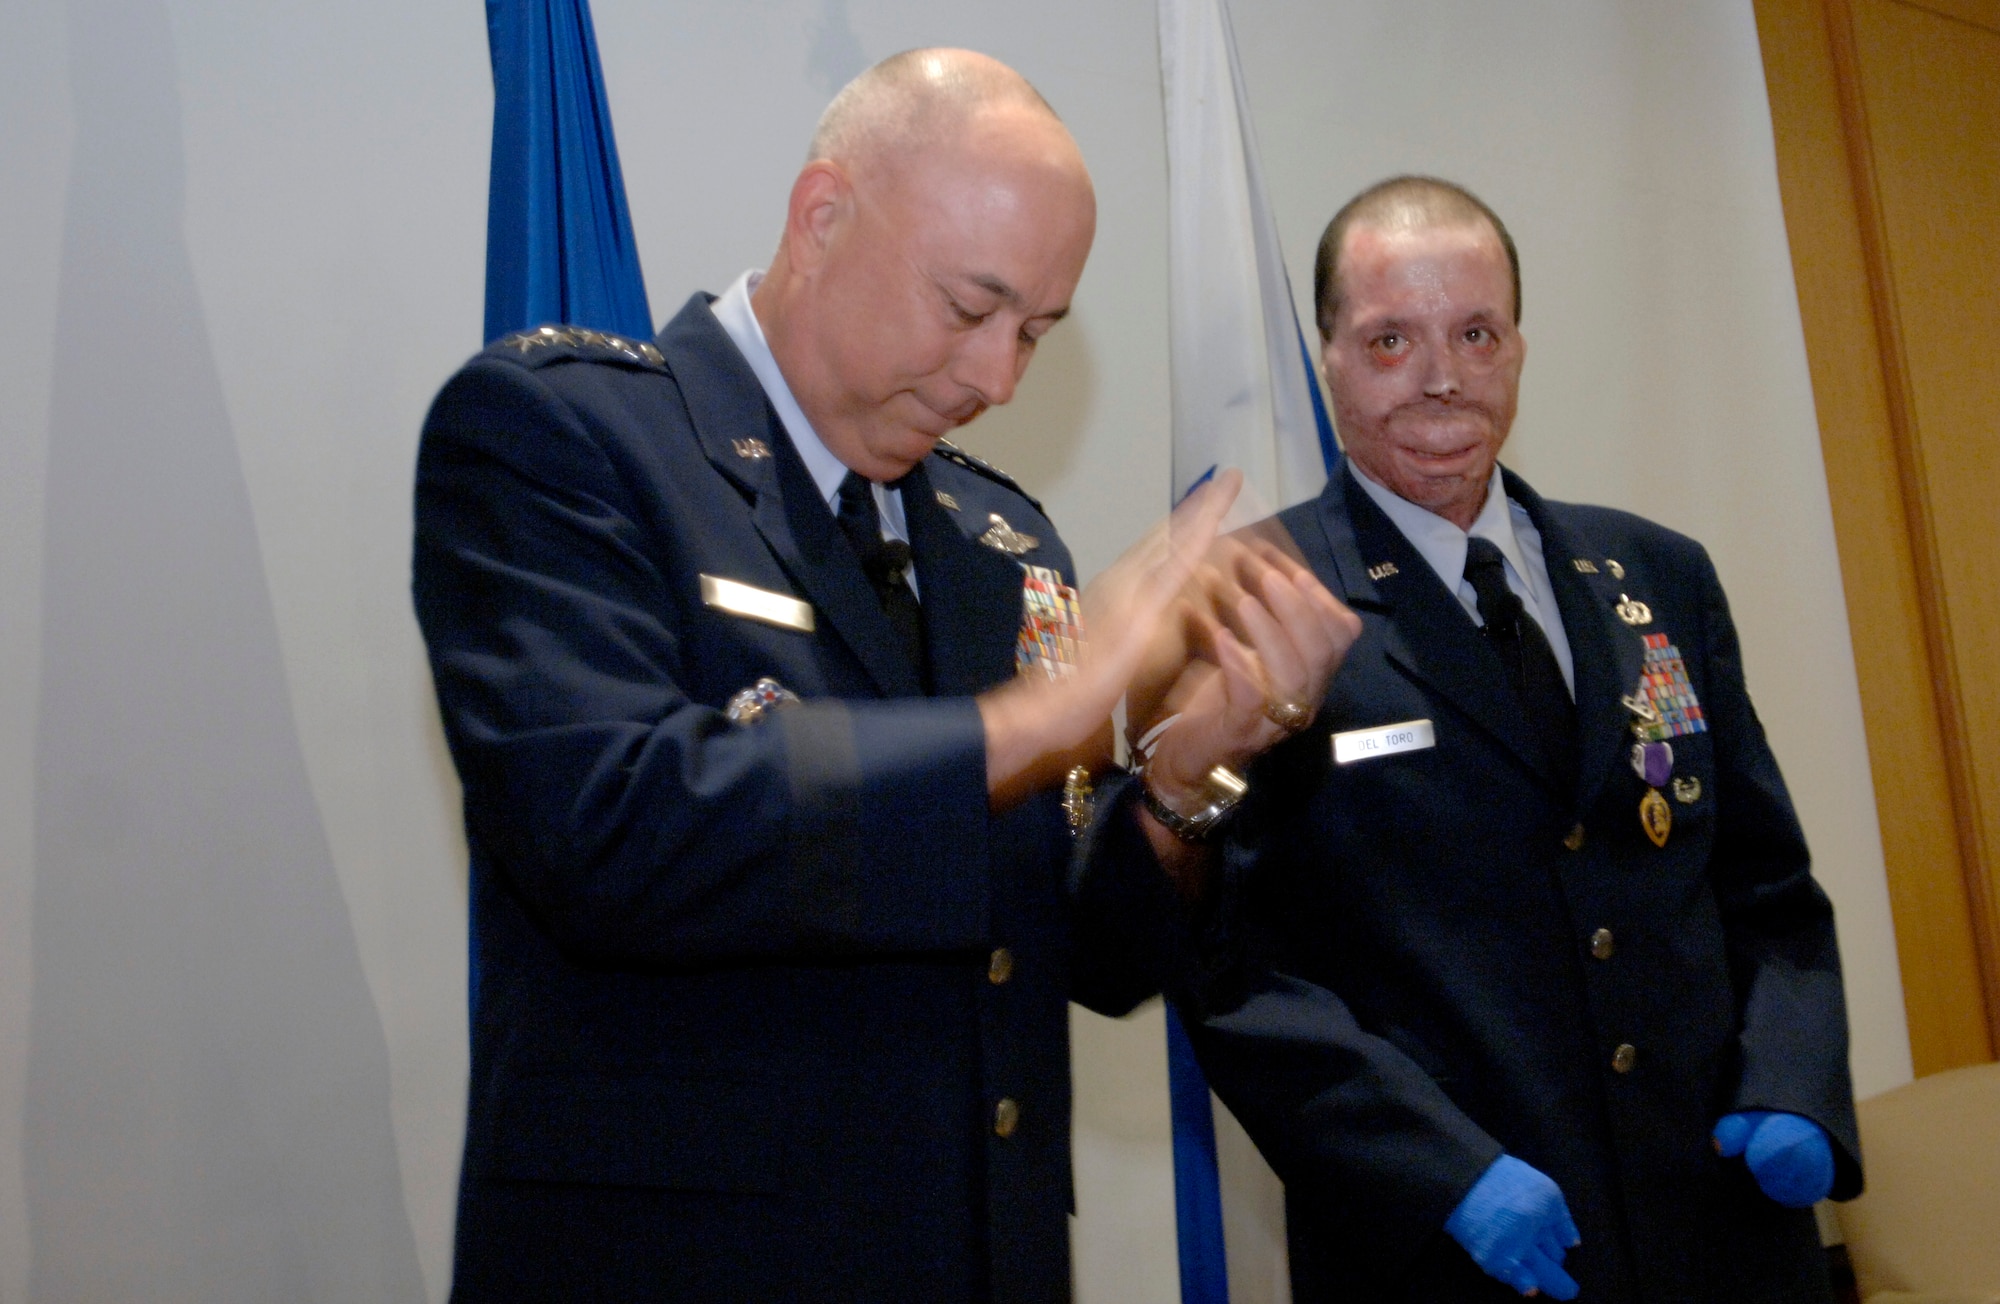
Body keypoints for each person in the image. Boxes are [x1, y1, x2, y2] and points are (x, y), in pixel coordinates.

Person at [412, 48, 1353, 1303]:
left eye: (1034, 332)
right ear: (821, 217)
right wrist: (1047, 716)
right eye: (969, 309)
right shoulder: (566, 436)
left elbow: (1083, 952)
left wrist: (1189, 773)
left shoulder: (999, 544)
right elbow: (614, 831)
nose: (994, 380)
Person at [1179, 176, 1863, 1302]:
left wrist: (1791, 1081)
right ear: (1329, 357)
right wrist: (1437, 1171)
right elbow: (1226, 965)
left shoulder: (1657, 574)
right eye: (1390, 337)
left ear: (1517, 350)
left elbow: (1765, 886)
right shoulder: (1244, 600)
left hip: (1721, 1230)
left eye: (1474, 333)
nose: (1440, 375)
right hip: (1450, 1251)